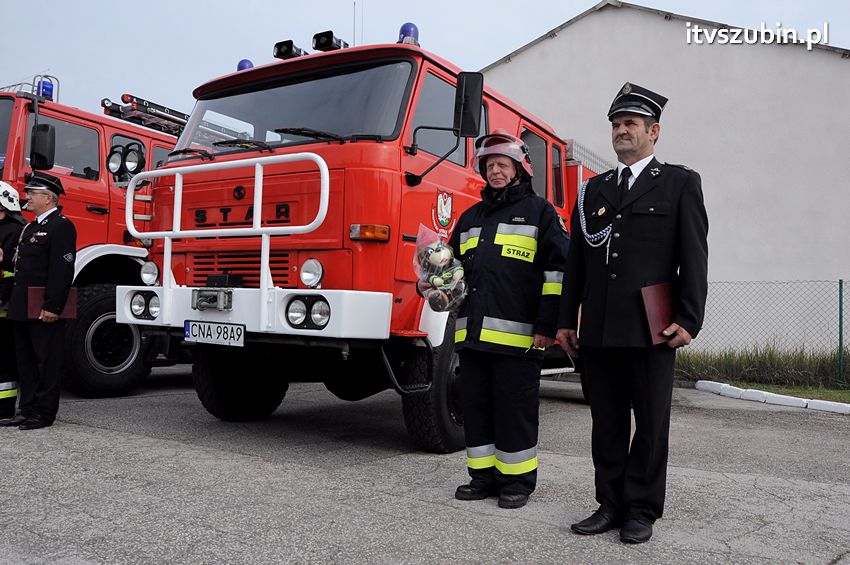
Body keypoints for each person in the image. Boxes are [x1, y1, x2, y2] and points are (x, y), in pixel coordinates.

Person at [557, 83, 708, 543]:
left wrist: (690, 318)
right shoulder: (593, 190)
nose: (621, 131)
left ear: (653, 131)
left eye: (631, 124)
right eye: (616, 125)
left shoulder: (680, 182)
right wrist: (566, 320)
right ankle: (610, 503)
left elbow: (694, 255)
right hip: (600, 330)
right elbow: (577, 262)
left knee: (650, 423)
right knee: (606, 423)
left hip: (652, 328)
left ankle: (641, 509)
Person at [431, 129, 568, 509]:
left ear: (520, 168)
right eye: (490, 165)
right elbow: (453, 270)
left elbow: (558, 274)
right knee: (476, 409)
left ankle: (517, 483)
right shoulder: (470, 217)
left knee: (514, 413)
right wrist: (434, 277)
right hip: (472, 338)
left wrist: (547, 326)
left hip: (520, 341)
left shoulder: (541, 212)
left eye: (503, 165)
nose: (495, 171)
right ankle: (482, 478)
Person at [0, 172, 76, 430]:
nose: (27, 197)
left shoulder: (61, 225)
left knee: (47, 361)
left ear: (48, 197)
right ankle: (27, 409)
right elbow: (21, 266)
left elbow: (62, 270)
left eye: (32, 193)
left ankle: (43, 413)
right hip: (22, 306)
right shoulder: (30, 227)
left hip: (44, 306)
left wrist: (52, 306)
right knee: (26, 361)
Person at [0, 182, 26, 419]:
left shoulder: (14, 230)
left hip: (4, 304)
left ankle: (4, 409)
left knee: (5, 359)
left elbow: (11, 271)